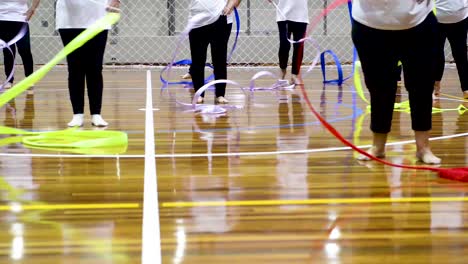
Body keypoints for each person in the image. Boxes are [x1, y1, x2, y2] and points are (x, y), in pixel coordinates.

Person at [352, 0, 441, 164]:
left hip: (418, 21)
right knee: (379, 87)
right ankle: (378, 147)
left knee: (421, 85)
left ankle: (423, 148)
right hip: (370, 25)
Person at [55, 0, 120, 127]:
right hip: (69, 21)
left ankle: (96, 114)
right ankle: (77, 114)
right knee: (75, 68)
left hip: (98, 16)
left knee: (95, 68)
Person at [188, 0, 241, 104]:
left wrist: (230, 6)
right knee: (198, 59)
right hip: (197, 19)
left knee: (220, 59)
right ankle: (199, 93)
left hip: (221, 18)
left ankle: (220, 94)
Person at [0, 0, 40, 91]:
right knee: (8, 51)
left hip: (21, 19)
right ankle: (9, 80)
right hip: (2, 19)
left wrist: (32, 8)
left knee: (24, 50)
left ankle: (29, 79)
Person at [268, 0, 308, 85]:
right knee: (284, 44)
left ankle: (295, 75)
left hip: (301, 16)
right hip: (283, 14)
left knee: (299, 47)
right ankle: (282, 70)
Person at [433, 0, 468, 99]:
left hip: (460, 16)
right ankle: (435, 84)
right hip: (437, 17)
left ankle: (466, 87)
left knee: (461, 53)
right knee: (436, 53)